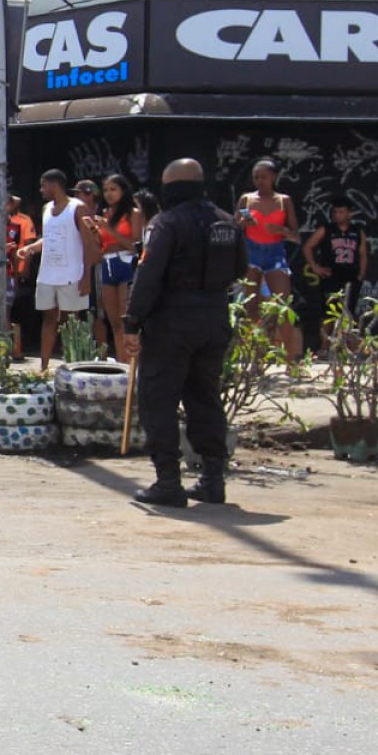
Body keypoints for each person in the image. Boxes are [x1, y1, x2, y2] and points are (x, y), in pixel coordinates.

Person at [123, 158, 247, 508]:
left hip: (172, 323)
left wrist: (132, 321)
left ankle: (168, 482)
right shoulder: (227, 221)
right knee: (204, 397)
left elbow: (148, 277)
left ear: (173, 188)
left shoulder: (167, 223)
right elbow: (239, 267)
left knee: (157, 398)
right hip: (214, 316)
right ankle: (212, 479)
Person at [18, 169, 100, 372]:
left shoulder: (78, 208)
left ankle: (71, 365)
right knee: (48, 319)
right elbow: (50, 237)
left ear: (54, 185)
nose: (41, 190)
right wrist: (31, 248)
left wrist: (86, 276)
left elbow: (89, 244)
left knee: (70, 321)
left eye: (43, 185)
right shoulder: (46, 209)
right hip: (47, 274)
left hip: (72, 274)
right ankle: (44, 367)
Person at [236, 158, 303, 362]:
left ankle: (291, 361)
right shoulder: (246, 200)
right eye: (256, 177)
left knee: (282, 306)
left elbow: (296, 236)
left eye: (263, 177)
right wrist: (243, 222)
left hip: (275, 254)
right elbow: (234, 227)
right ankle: (254, 358)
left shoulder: (284, 200)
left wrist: (281, 230)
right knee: (251, 308)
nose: (259, 181)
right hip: (252, 253)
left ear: (273, 177)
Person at [302, 195, 370, 351]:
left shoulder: (357, 231)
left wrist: (361, 274)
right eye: (335, 212)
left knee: (349, 313)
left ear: (349, 214)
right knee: (328, 313)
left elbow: (363, 254)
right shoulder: (326, 229)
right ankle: (325, 347)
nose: (337, 215)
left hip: (351, 277)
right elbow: (307, 246)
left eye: (341, 212)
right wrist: (315, 267)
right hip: (331, 276)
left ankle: (349, 348)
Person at [95, 175, 147, 364]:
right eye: (106, 189)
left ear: (123, 191)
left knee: (127, 319)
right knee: (114, 321)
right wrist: (95, 231)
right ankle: (123, 365)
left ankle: (134, 365)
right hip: (108, 264)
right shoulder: (104, 213)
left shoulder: (133, 213)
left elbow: (135, 245)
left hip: (126, 263)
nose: (108, 194)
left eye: (113, 189)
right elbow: (101, 244)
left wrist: (108, 229)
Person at [5, 194, 40, 358]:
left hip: (15, 271)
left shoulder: (22, 221)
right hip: (4, 272)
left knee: (17, 312)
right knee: (7, 313)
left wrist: (23, 270)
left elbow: (27, 246)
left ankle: (17, 347)